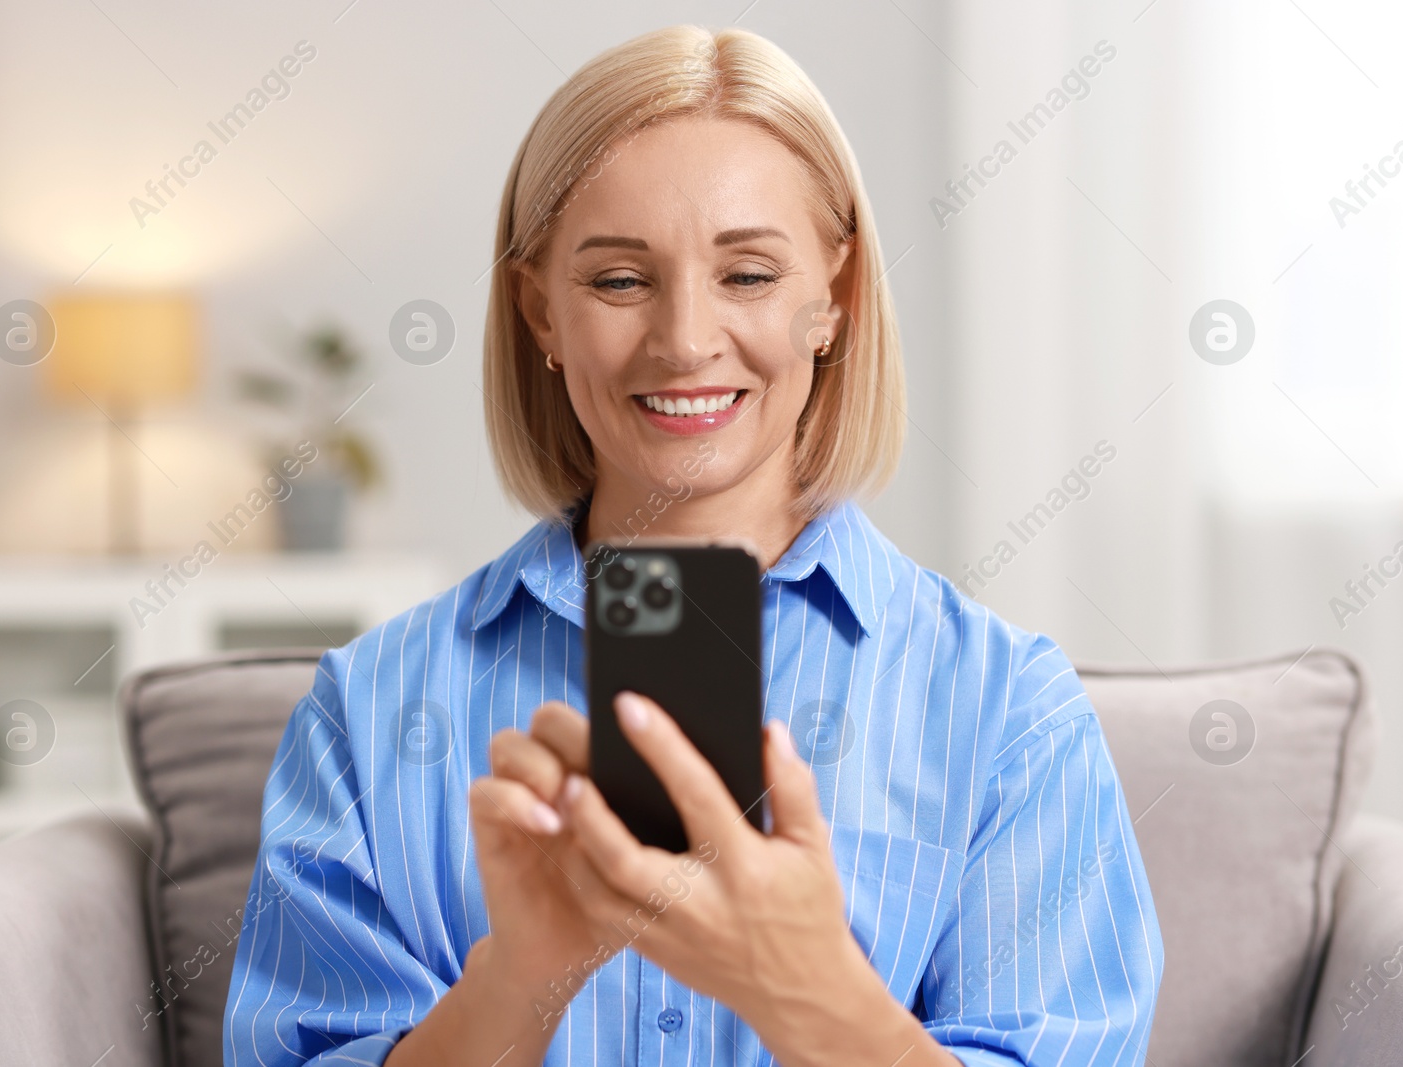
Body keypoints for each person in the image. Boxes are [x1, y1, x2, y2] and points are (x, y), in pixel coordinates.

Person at [223, 24, 1161, 1067]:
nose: (684, 340)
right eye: (619, 281)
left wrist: (816, 995)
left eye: (749, 274)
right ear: (541, 312)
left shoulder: (1008, 711)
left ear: (834, 302)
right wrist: (517, 979)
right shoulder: (365, 710)